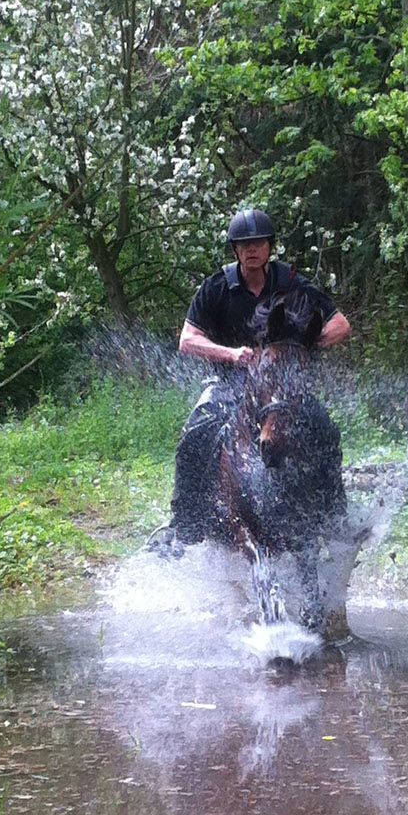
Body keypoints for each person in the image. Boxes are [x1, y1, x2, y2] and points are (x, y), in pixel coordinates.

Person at [148, 209, 351, 556]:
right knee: (195, 433)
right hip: (229, 383)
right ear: (235, 250)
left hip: (280, 386)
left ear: (270, 247)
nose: (251, 250)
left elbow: (341, 325)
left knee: (324, 428)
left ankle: (335, 513)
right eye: (244, 245)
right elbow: (187, 340)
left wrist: (303, 346)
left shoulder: (292, 283)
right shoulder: (215, 288)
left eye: (258, 243)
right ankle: (185, 523)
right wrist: (231, 354)